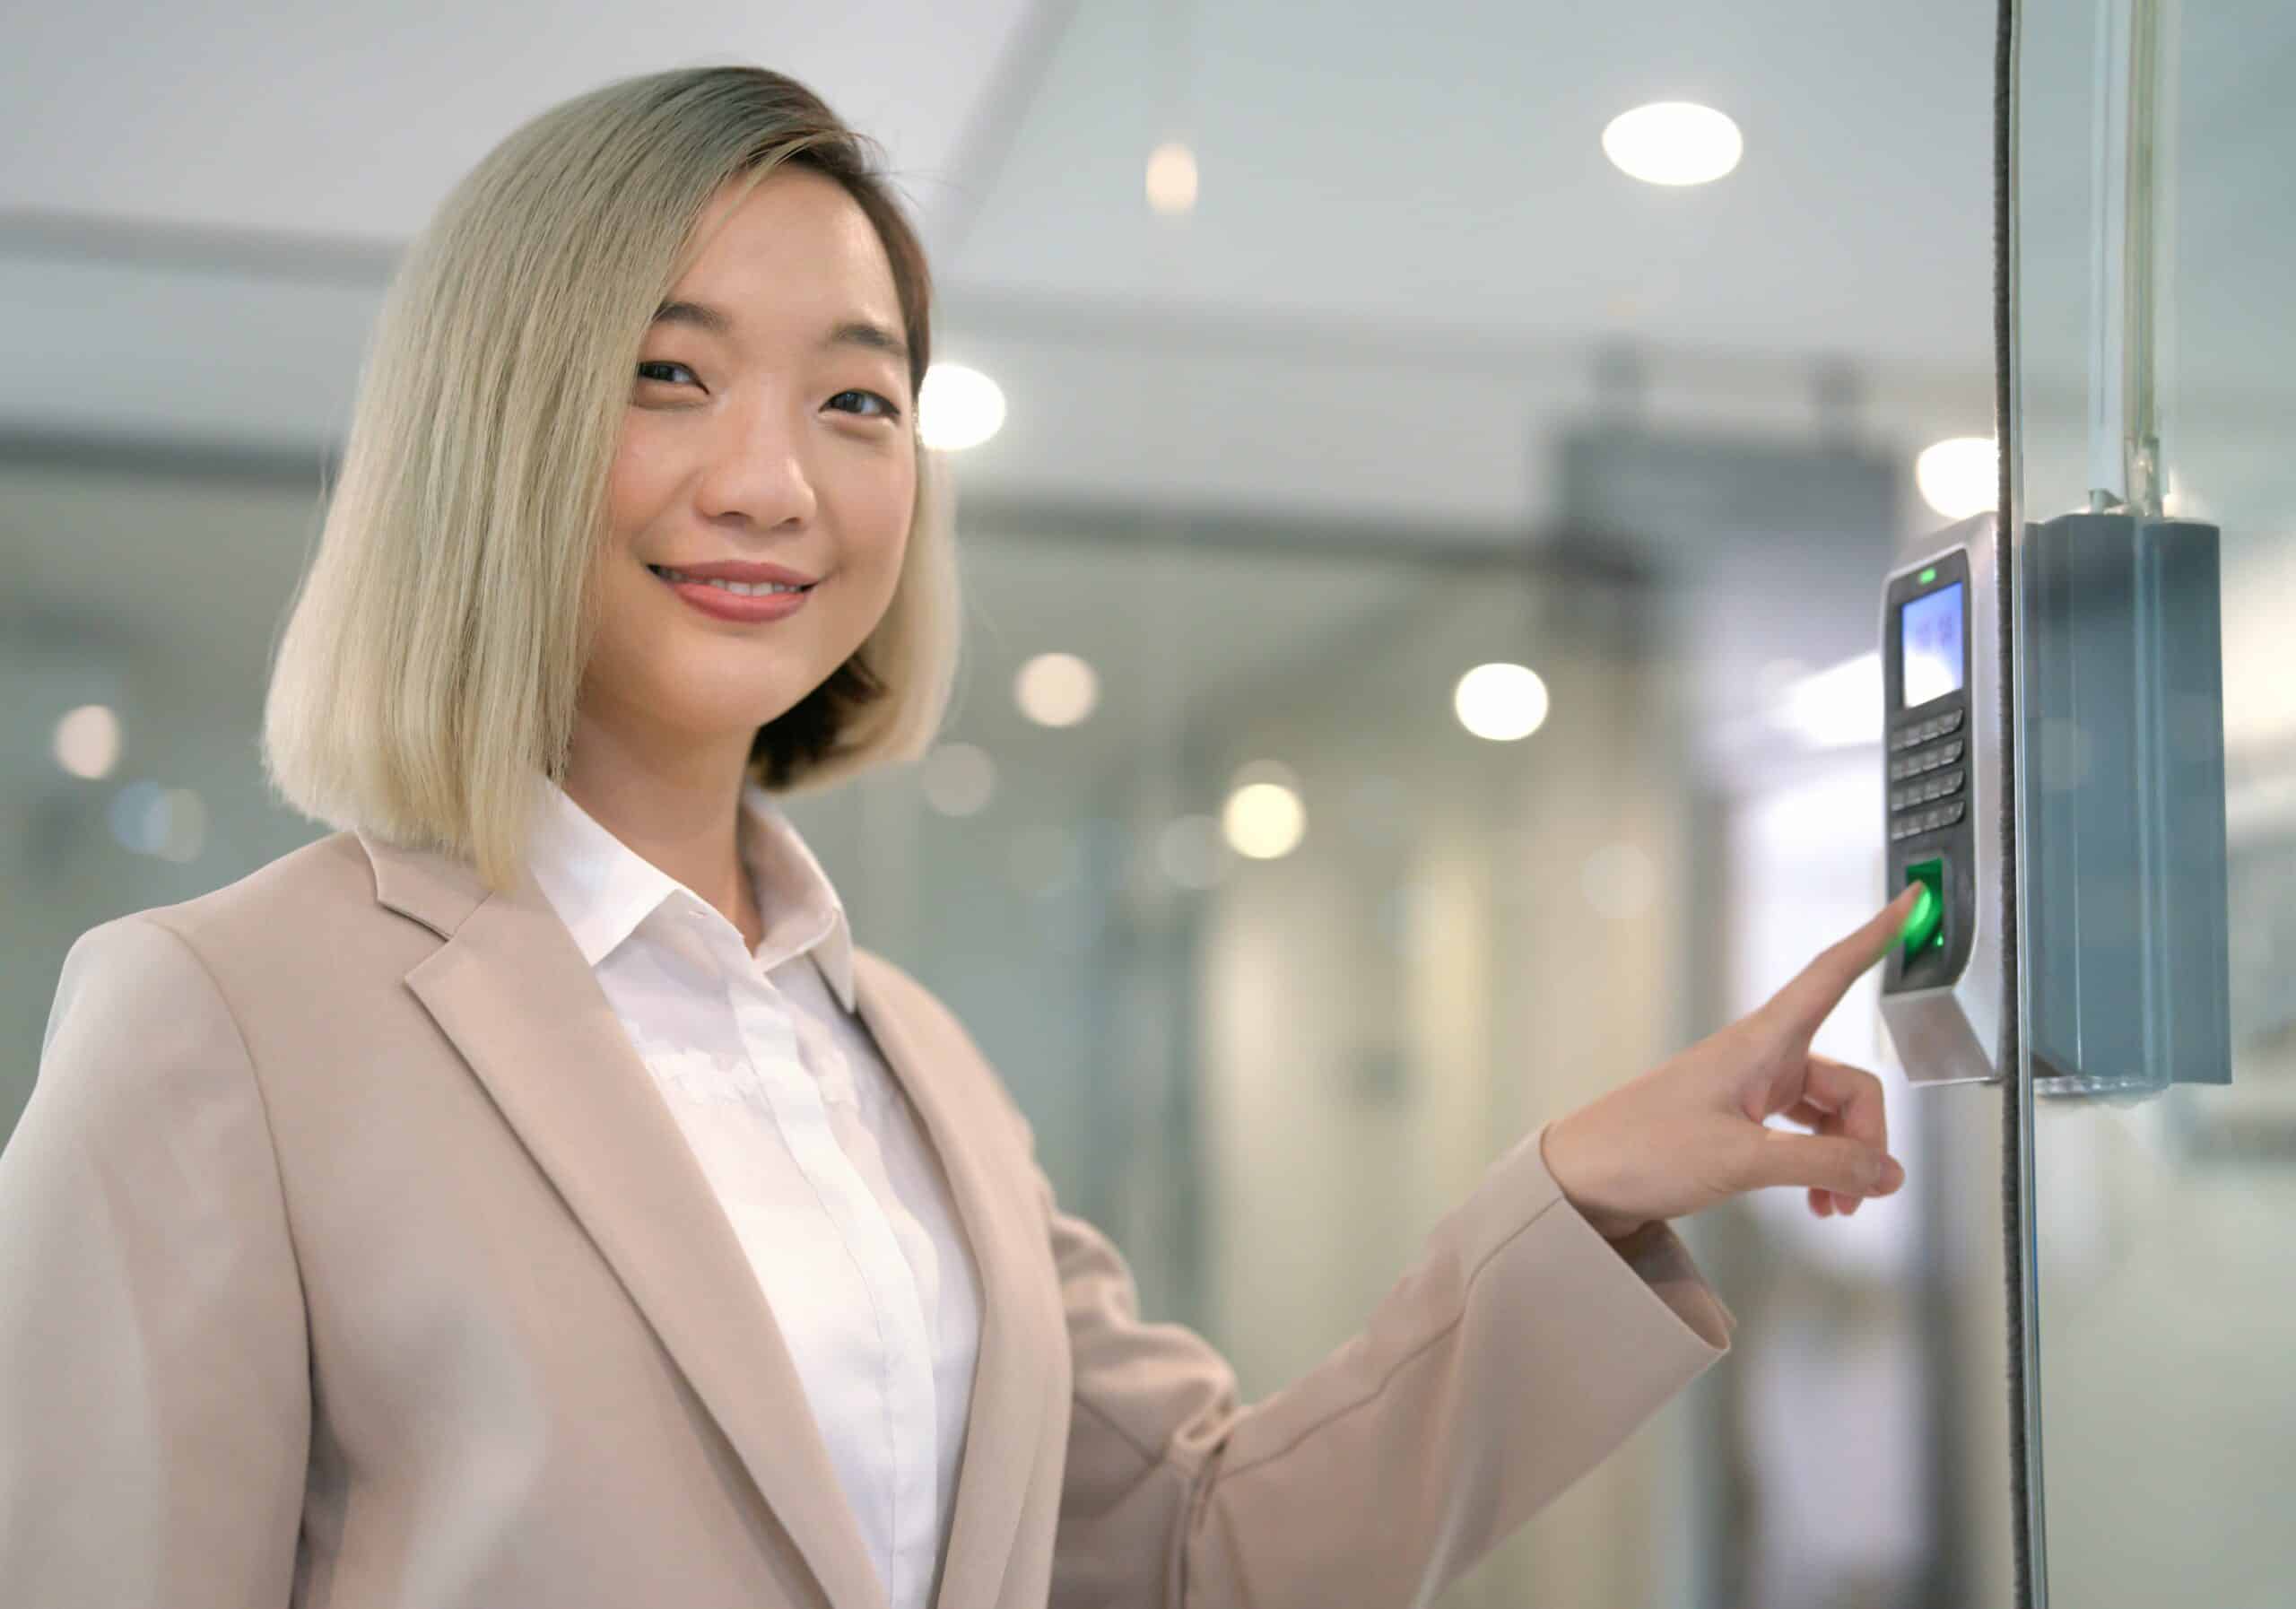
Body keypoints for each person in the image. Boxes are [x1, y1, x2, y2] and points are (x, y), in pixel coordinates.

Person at [0, 65, 1919, 1609]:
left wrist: (1579, 1194)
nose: (772, 481)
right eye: (668, 373)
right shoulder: (222, 1018)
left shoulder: (898, 1059)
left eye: (858, 398)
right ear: (486, 427)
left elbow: (1196, 1556)